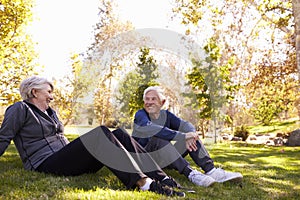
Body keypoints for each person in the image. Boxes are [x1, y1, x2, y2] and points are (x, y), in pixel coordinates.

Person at [0, 76, 185, 197]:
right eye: (48, 92)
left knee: (120, 133)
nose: (51, 97)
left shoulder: (51, 112)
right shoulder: (20, 109)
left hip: (65, 157)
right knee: (100, 133)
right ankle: (144, 183)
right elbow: (3, 137)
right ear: (34, 92)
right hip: (45, 163)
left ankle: (163, 178)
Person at [132, 86, 243, 187]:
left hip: (164, 159)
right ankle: (191, 174)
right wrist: (182, 136)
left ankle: (211, 171)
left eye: (153, 99)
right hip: (144, 159)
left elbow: (186, 125)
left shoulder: (167, 115)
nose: (149, 102)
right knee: (158, 139)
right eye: (147, 99)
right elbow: (152, 130)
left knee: (190, 138)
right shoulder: (140, 115)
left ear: (162, 102)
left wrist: (191, 135)